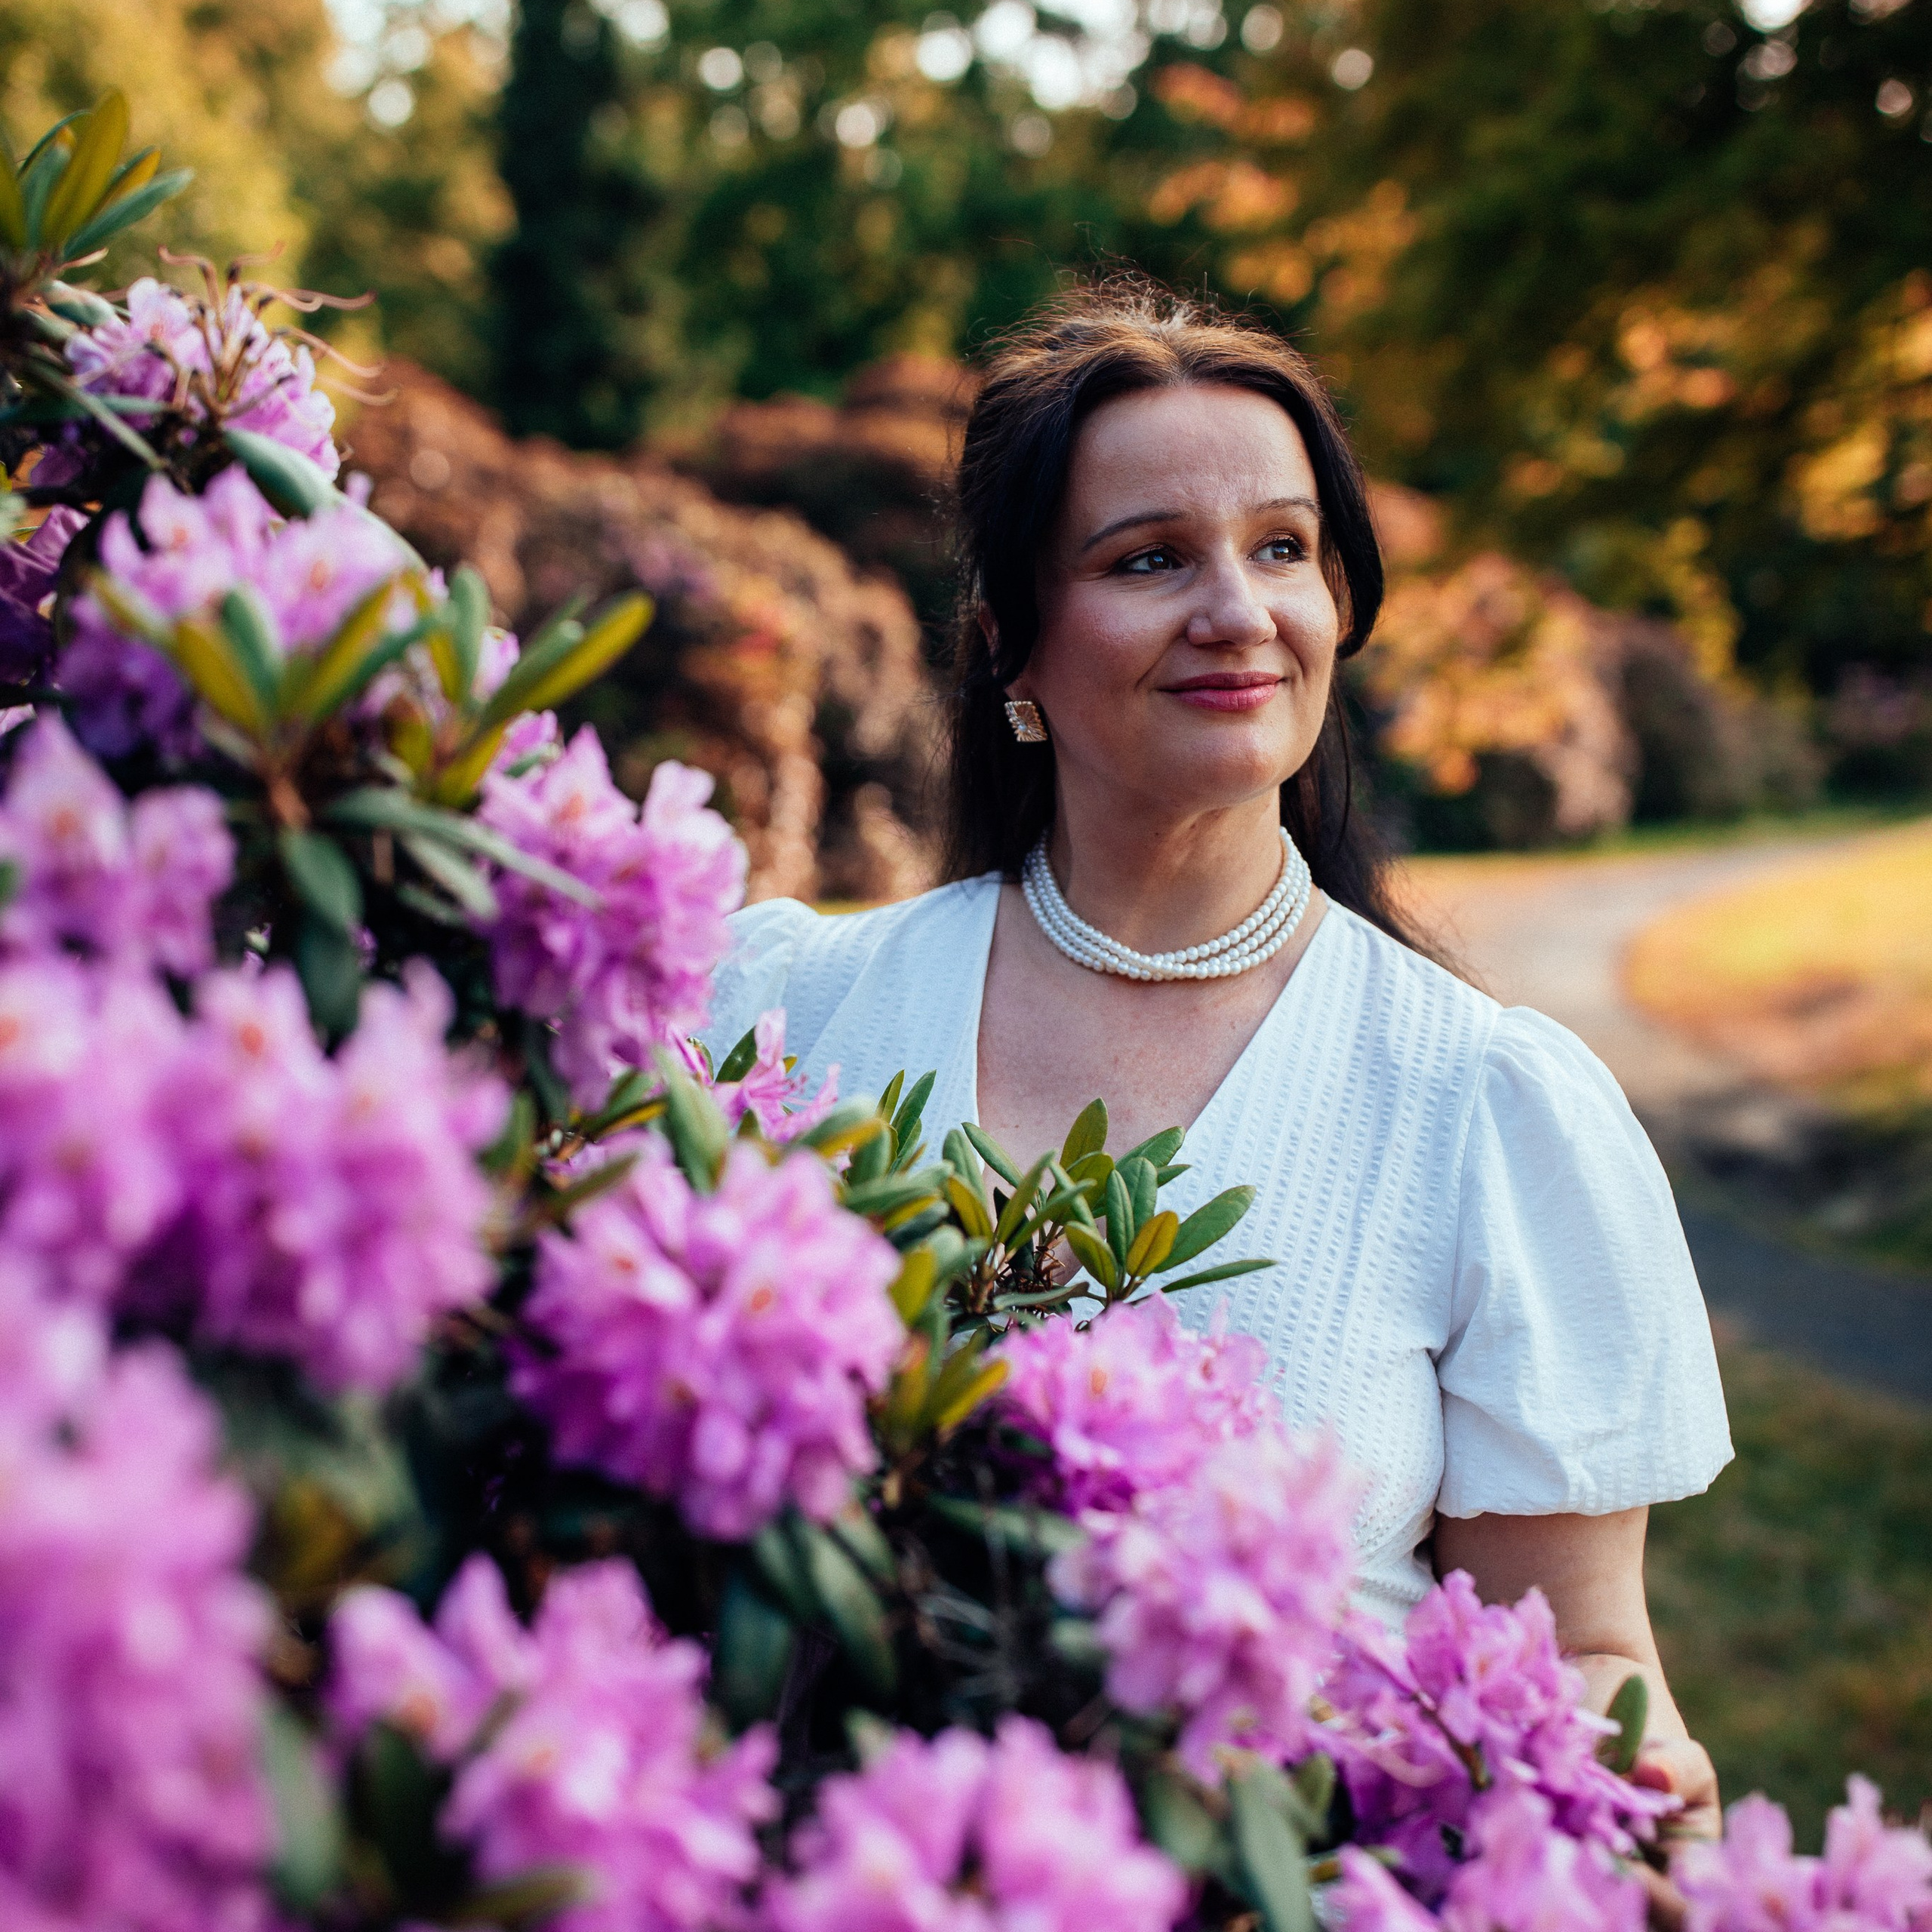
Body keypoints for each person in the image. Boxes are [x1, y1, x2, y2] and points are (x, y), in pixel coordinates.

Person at [702, 281, 1731, 1845]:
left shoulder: (1482, 1105)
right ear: (1010, 644)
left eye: (1282, 547)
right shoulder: (784, 1016)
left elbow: (1580, 1651)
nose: (1238, 610)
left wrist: (1634, 1779)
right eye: (1148, 558)